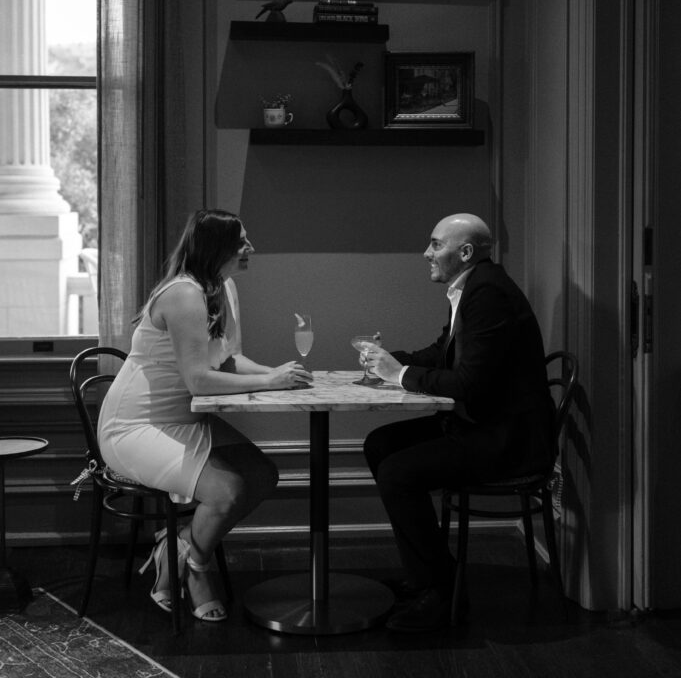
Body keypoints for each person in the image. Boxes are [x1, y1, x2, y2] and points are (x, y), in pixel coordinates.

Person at [97, 209, 312, 623]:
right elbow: (198, 380)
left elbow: (228, 361)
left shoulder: (222, 287)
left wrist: (277, 374)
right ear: (218, 247)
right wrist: (271, 384)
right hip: (137, 426)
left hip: (185, 419)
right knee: (228, 489)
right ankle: (196, 569)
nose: (251, 248)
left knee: (263, 475)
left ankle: (175, 543)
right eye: (242, 241)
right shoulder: (183, 294)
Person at [361, 213, 555, 632]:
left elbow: (470, 383)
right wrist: (394, 361)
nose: (426, 253)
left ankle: (440, 592)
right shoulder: (474, 287)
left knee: (397, 473)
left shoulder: (488, 294)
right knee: (380, 445)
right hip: (481, 424)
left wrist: (398, 375)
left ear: (465, 252)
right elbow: (443, 350)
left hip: (506, 439)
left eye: (435, 245)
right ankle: (432, 575)